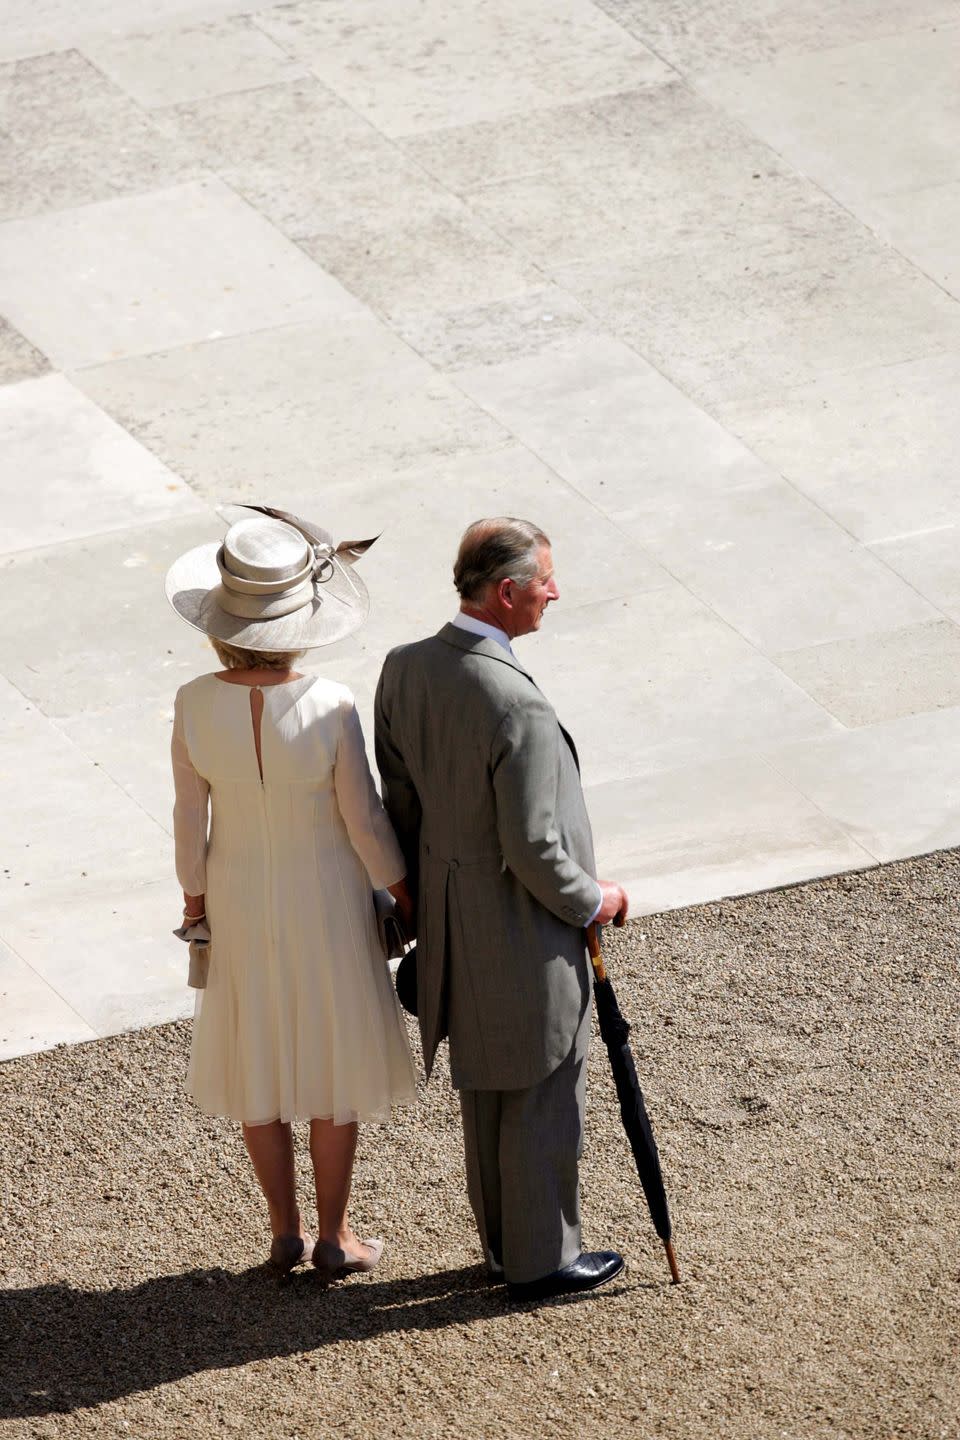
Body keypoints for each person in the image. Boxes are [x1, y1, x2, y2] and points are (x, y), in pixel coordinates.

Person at [374, 517, 629, 1301]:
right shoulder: (516, 703)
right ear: (509, 591)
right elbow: (534, 848)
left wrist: (421, 905)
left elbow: (401, 802)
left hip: (454, 923)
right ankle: (542, 1260)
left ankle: (503, 1249)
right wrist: (598, 900)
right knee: (544, 1084)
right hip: (521, 926)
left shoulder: (405, 668)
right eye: (545, 581)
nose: (555, 592)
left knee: (488, 1087)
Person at [165, 506, 417, 1277]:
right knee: (330, 1062)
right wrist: (405, 897)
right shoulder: (332, 703)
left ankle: (284, 1231)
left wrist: (196, 907)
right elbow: (364, 820)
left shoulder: (192, 701)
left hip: (238, 898)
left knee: (257, 1059)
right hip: (328, 898)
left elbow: (187, 820)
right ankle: (336, 1237)